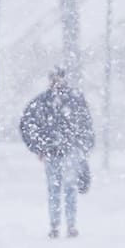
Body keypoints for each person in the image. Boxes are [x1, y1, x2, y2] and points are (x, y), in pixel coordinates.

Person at [19, 66, 95, 239]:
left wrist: (82, 147)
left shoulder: (71, 100)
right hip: (53, 152)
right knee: (56, 190)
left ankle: (69, 225)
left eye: (58, 78)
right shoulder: (46, 102)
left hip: (68, 151)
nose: (56, 81)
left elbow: (85, 125)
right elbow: (27, 124)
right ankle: (56, 226)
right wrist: (38, 147)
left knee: (67, 189)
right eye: (53, 78)